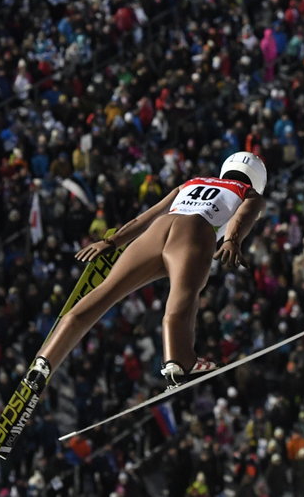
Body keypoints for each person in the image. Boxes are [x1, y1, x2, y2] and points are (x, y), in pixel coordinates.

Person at [23, 152, 267, 390]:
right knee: (184, 294)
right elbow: (242, 216)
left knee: (106, 291)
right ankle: (178, 360)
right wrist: (232, 241)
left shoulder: (192, 182)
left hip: (157, 230)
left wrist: (111, 242)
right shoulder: (249, 193)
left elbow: (147, 216)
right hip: (196, 230)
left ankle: (45, 359)